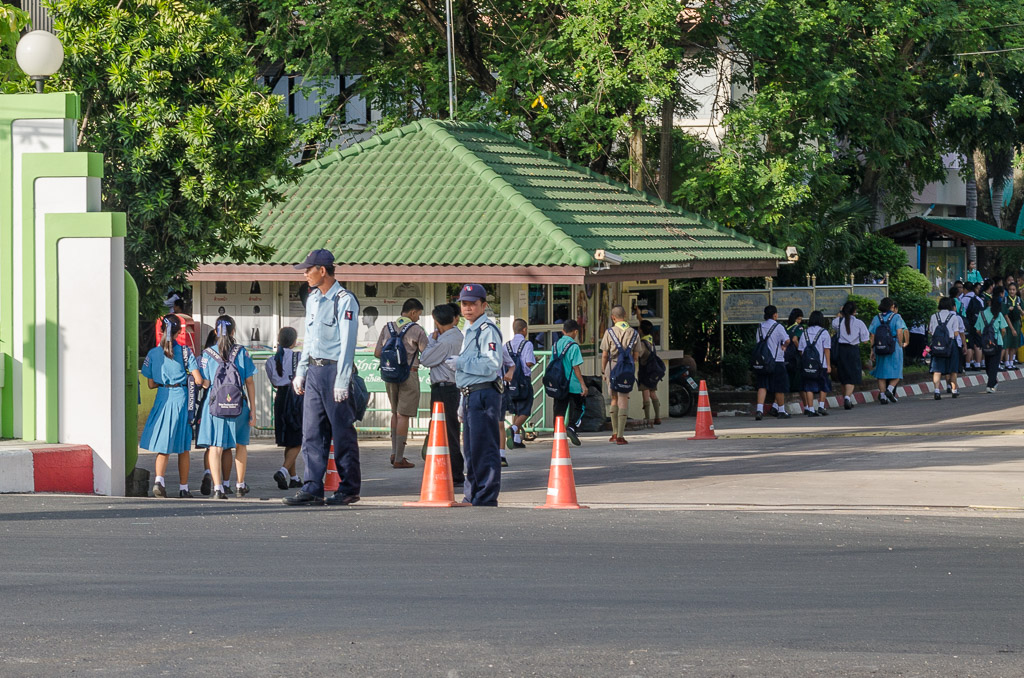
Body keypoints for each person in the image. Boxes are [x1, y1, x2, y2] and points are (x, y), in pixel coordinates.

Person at [284, 249, 361, 507]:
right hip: (315, 372)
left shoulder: (344, 300)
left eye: (309, 269)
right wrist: (301, 371)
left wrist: (342, 379)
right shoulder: (313, 299)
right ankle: (312, 487)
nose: (305, 274)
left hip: (334, 370)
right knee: (311, 433)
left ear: (323, 270)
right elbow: (308, 339)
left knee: (342, 433)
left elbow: (348, 343)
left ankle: (348, 488)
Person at [141, 315, 204, 497]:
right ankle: (184, 488)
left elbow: (151, 384)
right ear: (178, 333)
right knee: (183, 447)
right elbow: (198, 380)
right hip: (181, 399)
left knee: (164, 445)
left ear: (161, 330)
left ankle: (159, 481)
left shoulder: (153, 353)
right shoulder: (185, 352)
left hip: (162, 398)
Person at [455, 283, 504, 506]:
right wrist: (462, 401)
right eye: (464, 304)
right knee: (471, 449)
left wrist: (460, 363)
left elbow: (492, 364)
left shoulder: (487, 330)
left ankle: (485, 495)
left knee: (484, 447)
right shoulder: (470, 329)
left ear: (483, 305)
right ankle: (473, 494)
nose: (467, 308)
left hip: (484, 393)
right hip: (471, 394)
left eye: (473, 304)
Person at [197, 315, 256, 499]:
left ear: (216, 332)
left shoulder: (207, 354)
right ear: (233, 332)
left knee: (216, 446)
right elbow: (249, 382)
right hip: (238, 405)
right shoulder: (242, 352)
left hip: (215, 406)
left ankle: (217, 488)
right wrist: (253, 409)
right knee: (240, 445)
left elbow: (205, 383)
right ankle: (239, 485)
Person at [375, 298, 429, 469]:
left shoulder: (387, 327)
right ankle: (399, 458)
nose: (418, 318)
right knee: (403, 415)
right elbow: (426, 353)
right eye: (418, 314)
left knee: (394, 413)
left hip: (389, 374)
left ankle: (394, 452)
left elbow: (377, 353)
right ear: (412, 312)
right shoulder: (417, 330)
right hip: (409, 375)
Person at [418, 303, 465, 485]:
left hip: (444, 389)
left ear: (436, 321)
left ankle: (455, 472)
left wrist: (431, 340)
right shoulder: (457, 336)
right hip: (452, 388)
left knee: (447, 431)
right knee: (450, 430)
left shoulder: (444, 341)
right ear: (454, 319)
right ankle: (451, 470)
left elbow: (425, 359)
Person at [265, 326, 304, 490]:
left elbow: (274, 383)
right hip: (296, 398)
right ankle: (282, 471)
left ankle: (294, 478)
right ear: (294, 342)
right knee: (298, 439)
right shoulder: (299, 357)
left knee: (289, 439)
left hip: (280, 398)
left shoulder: (270, 361)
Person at [600, 305, 645, 443]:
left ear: (613, 317)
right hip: (627, 368)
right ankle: (620, 435)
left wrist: (603, 370)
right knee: (623, 398)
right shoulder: (634, 333)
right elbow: (636, 355)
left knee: (614, 398)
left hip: (612, 366)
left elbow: (605, 354)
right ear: (625, 316)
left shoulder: (609, 332)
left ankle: (614, 433)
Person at [502, 318, 536, 450]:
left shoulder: (506, 345)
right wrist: (535, 360)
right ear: (524, 330)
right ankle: (513, 428)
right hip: (523, 381)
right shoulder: (527, 344)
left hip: (509, 382)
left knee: (516, 410)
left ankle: (516, 439)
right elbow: (528, 362)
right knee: (525, 410)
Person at [553, 319, 588, 445]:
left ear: (563, 331)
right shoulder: (574, 346)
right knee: (580, 406)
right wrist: (583, 384)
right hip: (572, 383)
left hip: (559, 383)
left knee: (559, 410)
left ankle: (558, 435)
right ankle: (572, 427)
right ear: (575, 332)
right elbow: (575, 367)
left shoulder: (556, 345)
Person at [752, 305, 790, 421]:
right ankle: (781, 410)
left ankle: (759, 410)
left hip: (763, 361)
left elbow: (758, 341)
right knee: (779, 387)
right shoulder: (778, 327)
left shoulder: (760, 326)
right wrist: (784, 346)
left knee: (762, 385)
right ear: (775, 315)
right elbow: (787, 340)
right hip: (777, 360)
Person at [868, 297, 908, 404]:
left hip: (879, 347)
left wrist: (872, 350)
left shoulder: (876, 318)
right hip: (893, 346)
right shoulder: (897, 317)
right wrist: (900, 343)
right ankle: (889, 390)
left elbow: (872, 335)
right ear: (892, 306)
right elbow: (899, 332)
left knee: (881, 372)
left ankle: (882, 396)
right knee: (897, 371)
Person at [832, 301, 870, 410]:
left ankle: (846, 397)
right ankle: (847, 397)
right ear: (855, 311)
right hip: (853, 350)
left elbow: (834, 325)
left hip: (841, 350)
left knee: (843, 375)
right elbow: (865, 340)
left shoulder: (838, 321)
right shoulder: (859, 323)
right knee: (852, 375)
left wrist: (840, 313)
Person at [928, 297, 963, 400]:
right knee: (953, 369)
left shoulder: (934, 316)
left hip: (937, 345)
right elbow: (956, 333)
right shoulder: (953, 317)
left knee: (937, 369)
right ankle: (954, 390)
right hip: (951, 345)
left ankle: (937, 390)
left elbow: (931, 331)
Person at [798, 310, 831, 417]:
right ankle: (821, 406)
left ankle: (811, 409)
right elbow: (826, 349)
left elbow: (801, 350)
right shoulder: (824, 332)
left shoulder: (805, 332)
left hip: (807, 365)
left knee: (809, 387)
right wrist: (828, 365)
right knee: (823, 385)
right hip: (821, 364)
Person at [976, 294, 1008, 393]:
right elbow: (1003, 330)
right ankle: (990, 385)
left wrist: (985, 336)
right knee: (994, 365)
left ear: (989, 303)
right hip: (997, 342)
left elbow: (978, 330)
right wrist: (1000, 337)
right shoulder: (999, 314)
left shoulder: (981, 314)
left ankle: (992, 382)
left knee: (988, 364)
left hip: (986, 343)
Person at [637, 319, 662, 426]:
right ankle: (657, 416)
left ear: (641, 330)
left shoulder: (642, 343)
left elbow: (639, 354)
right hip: (653, 371)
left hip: (645, 371)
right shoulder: (651, 340)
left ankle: (647, 418)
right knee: (653, 393)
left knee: (646, 394)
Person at [784, 309, 806, 412]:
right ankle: (807, 407)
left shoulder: (787, 328)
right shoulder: (799, 327)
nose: (800, 321)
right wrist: (800, 350)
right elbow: (794, 339)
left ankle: (775, 406)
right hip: (796, 358)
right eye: (799, 319)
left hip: (787, 357)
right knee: (800, 383)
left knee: (786, 382)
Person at [1002, 282, 1021, 370]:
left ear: (1016, 290)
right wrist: (1008, 310)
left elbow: (1023, 313)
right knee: (1007, 344)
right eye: (1010, 290)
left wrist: (1020, 310)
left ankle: (1011, 362)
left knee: (1014, 343)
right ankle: (1006, 362)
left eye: (1013, 290)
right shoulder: (1005, 300)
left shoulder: (1019, 300)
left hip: (1016, 323)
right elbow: (1005, 315)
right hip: (1007, 324)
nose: (1012, 291)